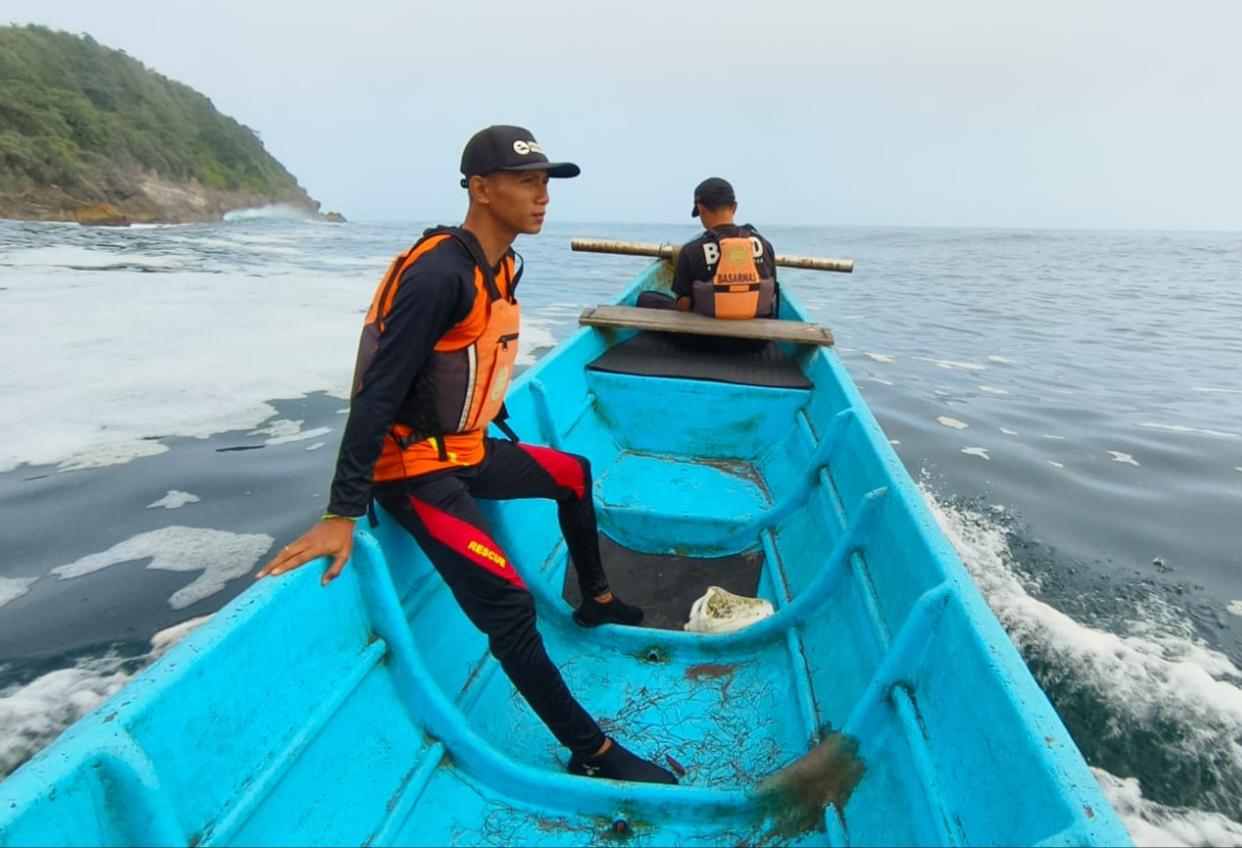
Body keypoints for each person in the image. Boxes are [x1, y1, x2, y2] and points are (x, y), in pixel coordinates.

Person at [257, 125, 677, 786]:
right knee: (509, 604)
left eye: (546, 182)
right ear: (481, 189)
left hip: (466, 449)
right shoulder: (437, 275)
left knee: (574, 474)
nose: (542, 196)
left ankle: (595, 597)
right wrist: (343, 511)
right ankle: (591, 752)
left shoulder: (501, 264)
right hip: (416, 472)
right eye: (526, 182)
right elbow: (373, 395)